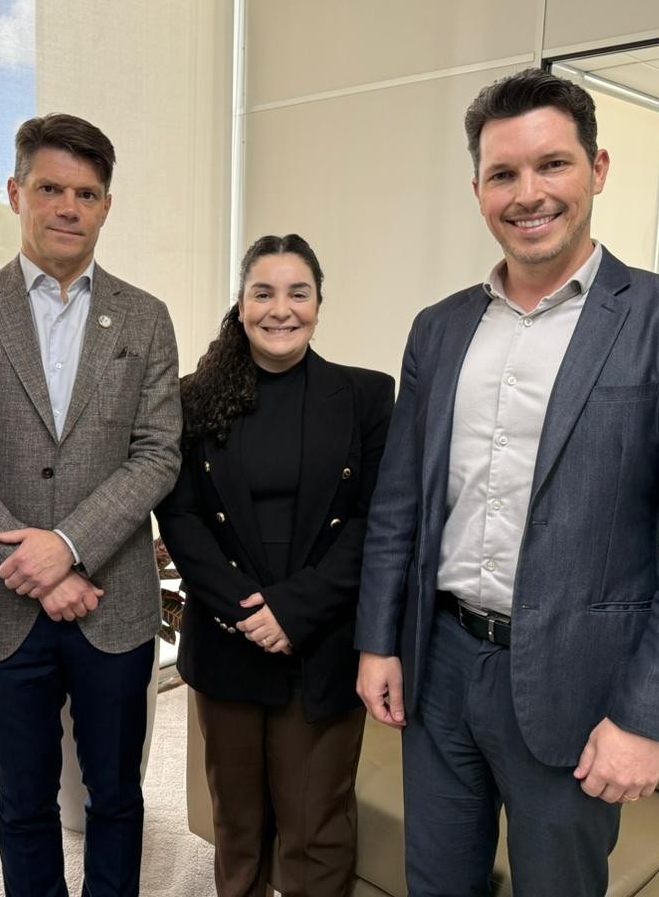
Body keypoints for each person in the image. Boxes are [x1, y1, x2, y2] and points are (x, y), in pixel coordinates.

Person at [355, 67, 659, 895]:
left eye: (551, 165)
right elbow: (399, 506)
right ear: (478, 189)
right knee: (436, 883)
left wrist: (645, 719)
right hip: (440, 664)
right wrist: (378, 639)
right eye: (503, 174)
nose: (527, 194)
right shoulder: (440, 328)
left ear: (596, 170)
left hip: (578, 684)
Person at [0, 112, 181, 896]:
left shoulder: (144, 316)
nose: (67, 207)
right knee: (23, 799)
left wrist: (67, 546)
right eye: (50, 188)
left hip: (113, 602)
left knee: (118, 795)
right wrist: (34, 565)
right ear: (15, 192)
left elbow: (157, 452)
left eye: (86, 193)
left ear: (105, 205)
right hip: (0, 607)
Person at [155, 233, 394, 896]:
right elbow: (179, 516)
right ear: (240, 304)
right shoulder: (192, 399)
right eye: (262, 293)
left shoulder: (366, 397)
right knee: (236, 824)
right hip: (229, 644)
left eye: (297, 292)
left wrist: (292, 609)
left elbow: (377, 520)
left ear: (319, 304)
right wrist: (244, 610)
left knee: (315, 825)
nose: (279, 309)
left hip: (320, 644)